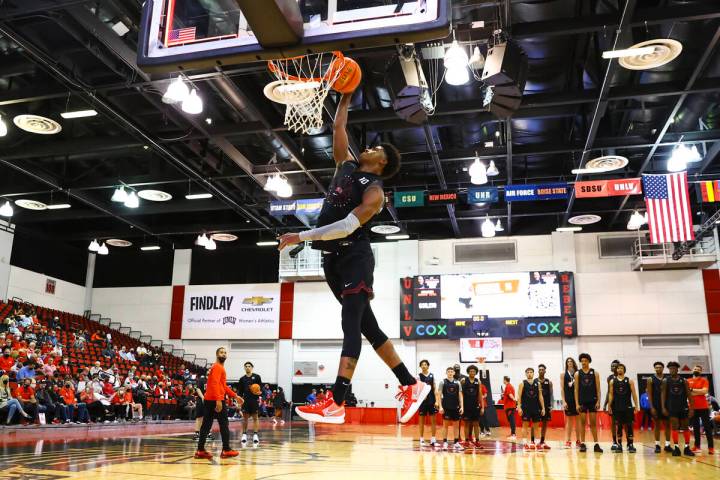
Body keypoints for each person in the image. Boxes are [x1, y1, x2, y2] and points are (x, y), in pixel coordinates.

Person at [278, 91, 425, 426]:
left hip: (354, 256)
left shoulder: (375, 190)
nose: (367, 148)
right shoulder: (345, 166)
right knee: (368, 327)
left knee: (350, 327)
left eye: (374, 149)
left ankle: (338, 401)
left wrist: (299, 236)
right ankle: (410, 384)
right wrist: (344, 96)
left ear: (382, 161)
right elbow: (338, 128)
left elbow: (346, 226)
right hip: (331, 260)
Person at [194, 347, 242, 460]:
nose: (224, 354)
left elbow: (223, 386)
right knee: (224, 424)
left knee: (206, 425)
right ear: (217, 354)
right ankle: (226, 450)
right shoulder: (217, 367)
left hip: (209, 399)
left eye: (225, 353)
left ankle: (200, 450)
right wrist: (219, 400)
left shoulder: (218, 368)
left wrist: (235, 396)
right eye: (221, 352)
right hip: (215, 399)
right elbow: (215, 384)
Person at [661, 361, 695, 457]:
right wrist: (663, 407)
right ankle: (676, 447)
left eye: (674, 368)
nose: (672, 370)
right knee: (674, 426)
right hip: (672, 407)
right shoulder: (665, 381)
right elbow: (663, 395)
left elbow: (689, 394)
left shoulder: (683, 380)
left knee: (685, 426)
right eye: (670, 368)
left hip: (683, 407)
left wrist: (692, 408)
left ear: (677, 369)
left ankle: (687, 447)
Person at [607, 363, 639, 453]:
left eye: (621, 368)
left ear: (624, 370)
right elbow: (610, 394)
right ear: (616, 370)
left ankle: (630, 444)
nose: (620, 369)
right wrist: (609, 405)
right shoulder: (612, 381)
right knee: (619, 426)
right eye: (618, 368)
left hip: (628, 407)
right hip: (617, 407)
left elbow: (634, 394)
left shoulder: (629, 381)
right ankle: (619, 445)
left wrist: (636, 406)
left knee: (629, 426)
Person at [574, 353, 602, 453]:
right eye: (582, 361)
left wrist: (598, 401)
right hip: (582, 402)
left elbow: (598, 389)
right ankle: (583, 444)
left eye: (585, 361)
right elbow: (576, 390)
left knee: (593, 423)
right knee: (582, 423)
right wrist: (577, 403)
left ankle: (596, 444)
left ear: (588, 361)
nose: (583, 362)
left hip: (592, 401)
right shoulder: (577, 374)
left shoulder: (595, 373)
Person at [687, 364, 714, 454]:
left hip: (703, 407)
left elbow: (705, 391)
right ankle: (697, 446)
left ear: (701, 371)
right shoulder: (688, 380)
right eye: (695, 368)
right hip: (693, 407)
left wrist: (691, 390)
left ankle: (711, 447)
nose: (697, 370)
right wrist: (698, 392)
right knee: (695, 428)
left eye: (699, 369)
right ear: (692, 370)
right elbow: (688, 394)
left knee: (707, 428)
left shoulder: (704, 380)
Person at [647, 361, 673, 453]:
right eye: (656, 367)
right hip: (656, 405)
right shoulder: (650, 379)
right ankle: (657, 445)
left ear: (663, 368)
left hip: (667, 405)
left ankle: (667, 445)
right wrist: (652, 407)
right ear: (654, 368)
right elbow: (649, 394)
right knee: (657, 425)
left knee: (667, 425)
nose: (658, 368)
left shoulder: (668, 378)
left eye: (660, 367)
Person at [518, 367, 545, 451]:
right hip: (525, 408)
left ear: (533, 373)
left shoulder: (538, 383)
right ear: (526, 374)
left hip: (536, 408)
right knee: (525, 426)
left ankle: (537, 444)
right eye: (528, 372)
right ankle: (525, 443)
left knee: (536, 427)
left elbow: (540, 396)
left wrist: (543, 408)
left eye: (531, 372)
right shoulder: (522, 383)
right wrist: (519, 407)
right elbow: (519, 396)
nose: (529, 373)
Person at [438, 366, 463, 451]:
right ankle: (445, 442)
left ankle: (456, 442)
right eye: (448, 371)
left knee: (456, 426)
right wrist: (440, 406)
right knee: (445, 426)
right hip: (446, 407)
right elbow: (439, 394)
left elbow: (460, 396)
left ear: (454, 373)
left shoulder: (458, 383)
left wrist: (462, 406)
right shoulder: (442, 382)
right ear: (446, 373)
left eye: (451, 371)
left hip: (456, 407)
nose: (450, 373)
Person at [237, 362, 262, 447]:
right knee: (245, 418)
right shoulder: (242, 379)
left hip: (254, 400)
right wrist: (239, 402)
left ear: (252, 368)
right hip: (245, 401)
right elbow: (240, 392)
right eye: (246, 366)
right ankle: (244, 434)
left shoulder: (257, 377)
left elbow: (260, 389)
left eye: (249, 366)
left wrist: (258, 392)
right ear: (244, 368)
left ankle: (255, 435)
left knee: (255, 418)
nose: (247, 368)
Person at [417, 359, 438, 448]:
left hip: (431, 400)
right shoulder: (418, 376)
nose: (424, 366)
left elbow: (435, 389)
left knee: (433, 421)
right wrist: (421, 395)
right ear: (420, 366)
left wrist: (437, 401)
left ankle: (433, 439)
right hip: (422, 402)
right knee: (421, 421)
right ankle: (421, 439)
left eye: (425, 364)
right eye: (422, 364)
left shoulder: (432, 375)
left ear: (428, 366)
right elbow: (416, 388)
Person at [561, 357, 580, 448]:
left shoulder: (578, 373)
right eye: (568, 361)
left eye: (571, 361)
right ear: (566, 364)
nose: (569, 363)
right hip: (568, 400)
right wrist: (564, 401)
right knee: (569, 422)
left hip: (578, 400)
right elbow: (562, 389)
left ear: (573, 363)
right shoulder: (563, 374)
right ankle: (568, 441)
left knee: (578, 421)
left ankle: (578, 441)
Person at [461, 365, 482, 448]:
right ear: (468, 372)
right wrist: (461, 405)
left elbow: (480, 394)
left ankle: (477, 441)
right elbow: (461, 394)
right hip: (466, 406)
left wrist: (482, 406)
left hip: (475, 406)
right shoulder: (463, 380)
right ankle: (466, 441)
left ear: (476, 372)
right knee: (466, 424)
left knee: (476, 424)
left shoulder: (478, 381)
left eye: (473, 371)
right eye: (470, 371)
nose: (472, 372)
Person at [605, 359, 620, 451]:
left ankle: (622, 441)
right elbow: (608, 392)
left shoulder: (624, 377)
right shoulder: (609, 378)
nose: (612, 367)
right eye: (612, 366)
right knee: (613, 423)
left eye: (614, 366)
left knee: (622, 424)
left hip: (622, 402)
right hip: (613, 403)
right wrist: (605, 404)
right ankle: (614, 442)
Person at [537, 364, 553, 450]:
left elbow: (551, 395)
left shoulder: (548, 382)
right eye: (540, 369)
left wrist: (551, 406)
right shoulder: (535, 381)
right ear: (538, 371)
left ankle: (542, 441)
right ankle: (533, 441)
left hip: (546, 406)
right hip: (536, 406)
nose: (541, 371)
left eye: (543, 369)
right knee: (535, 424)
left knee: (544, 424)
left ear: (545, 371)